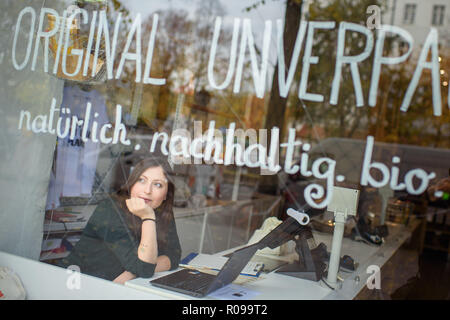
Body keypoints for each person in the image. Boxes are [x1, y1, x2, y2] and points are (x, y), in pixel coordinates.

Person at [57, 157, 181, 284]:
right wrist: (148, 218)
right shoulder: (110, 209)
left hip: (114, 286)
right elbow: (145, 268)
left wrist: (130, 274)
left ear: (166, 193)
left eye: (157, 184)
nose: (147, 190)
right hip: (76, 283)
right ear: (132, 183)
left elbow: (173, 256)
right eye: (142, 180)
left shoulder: (159, 211)